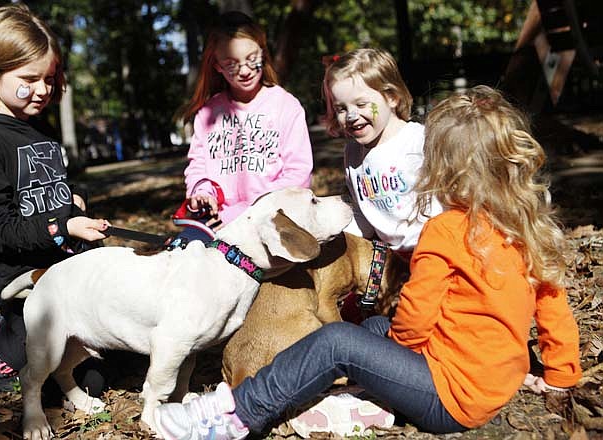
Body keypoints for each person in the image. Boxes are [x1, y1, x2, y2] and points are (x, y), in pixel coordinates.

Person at [152, 85, 582, 439]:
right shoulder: (526, 226)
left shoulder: (447, 230)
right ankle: (357, 393)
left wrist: (385, 357)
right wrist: (561, 376)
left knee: (339, 341)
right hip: (494, 379)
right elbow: (554, 310)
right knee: (371, 330)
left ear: (444, 170)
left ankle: (236, 414)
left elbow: (414, 320)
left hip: (449, 398)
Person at [0, 3, 109, 392]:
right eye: (30, 78)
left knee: (98, 377)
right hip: (22, 282)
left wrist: (76, 200)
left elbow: (54, 190)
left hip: (66, 273)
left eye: (51, 78)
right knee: (52, 383)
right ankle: (5, 340)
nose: (43, 89)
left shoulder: (39, 132)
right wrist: (61, 225)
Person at [168, 10, 313, 248]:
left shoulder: (285, 105)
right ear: (217, 66)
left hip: (274, 222)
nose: (244, 71)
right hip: (216, 225)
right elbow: (198, 165)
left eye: (251, 59)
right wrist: (202, 192)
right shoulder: (207, 113)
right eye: (231, 64)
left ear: (263, 53)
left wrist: (243, 212)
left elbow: (298, 176)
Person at [322, 48, 442, 322]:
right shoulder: (353, 154)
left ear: (391, 97)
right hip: (391, 257)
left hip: (436, 253)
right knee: (357, 317)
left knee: (427, 319)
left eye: (361, 105)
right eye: (341, 109)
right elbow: (364, 216)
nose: (351, 116)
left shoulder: (419, 141)